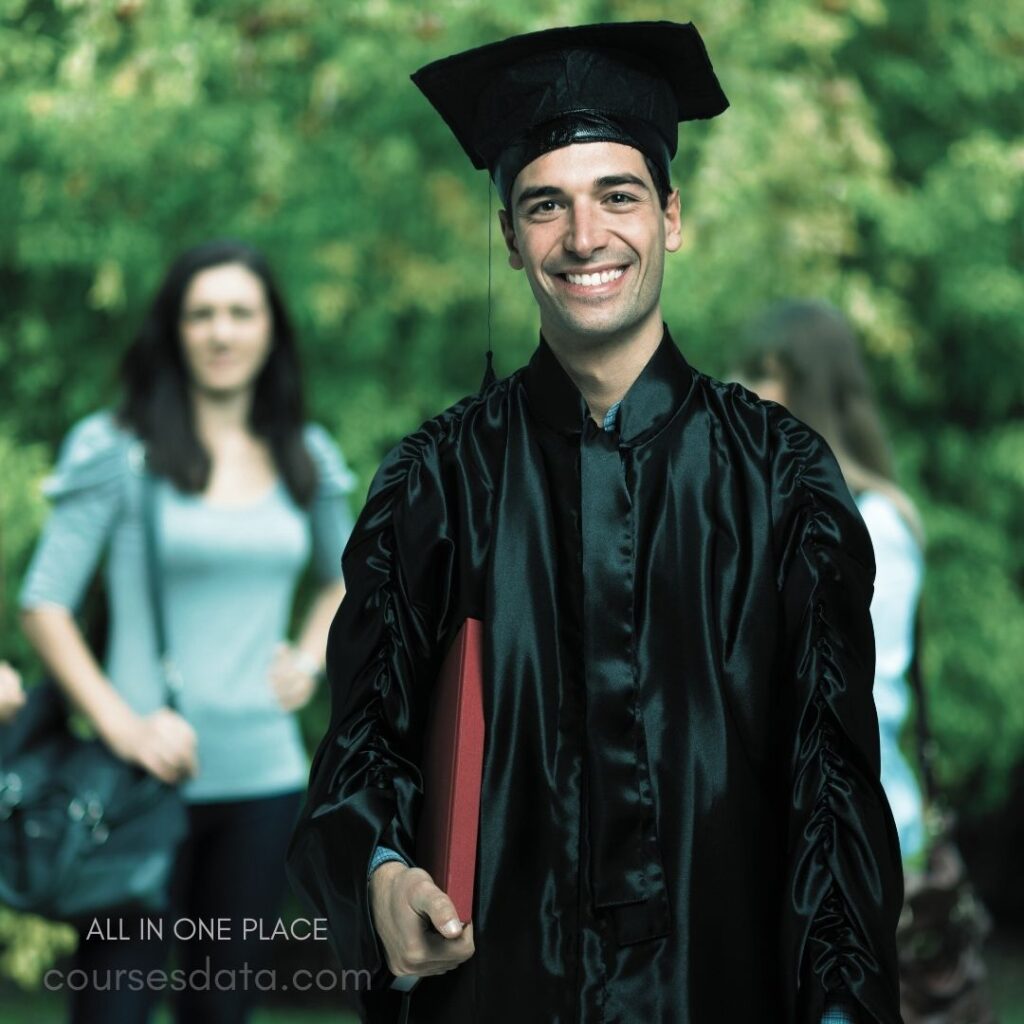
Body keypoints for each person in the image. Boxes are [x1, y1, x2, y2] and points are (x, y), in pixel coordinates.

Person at [288, 23, 904, 1024]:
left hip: (723, 987)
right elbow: (362, 749)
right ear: (509, 237)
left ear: (671, 217)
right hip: (495, 992)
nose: (584, 237)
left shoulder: (781, 480)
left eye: (617, 195)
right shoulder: (434, 482)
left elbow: (831, 790)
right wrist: (381, 873)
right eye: (545, 205)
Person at [19, 239, 355, 1024]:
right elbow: (43, 604)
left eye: (241, 313)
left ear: (271, 330)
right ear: (173, 330)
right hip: (137, 791)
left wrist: (307, 659)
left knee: (221, 1010)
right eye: (201, 314)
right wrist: (124, 730)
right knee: (112, 1010)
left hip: (265, 783)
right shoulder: (117, 450)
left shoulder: (305, 454)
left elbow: (347, 574)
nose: (221, 332)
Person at [737, 299, 927, 866]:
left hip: (848, 843)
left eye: (764, 372)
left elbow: (863, 696)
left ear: (808, 386)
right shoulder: (762, 510)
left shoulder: (875, 522)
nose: (743, 388)